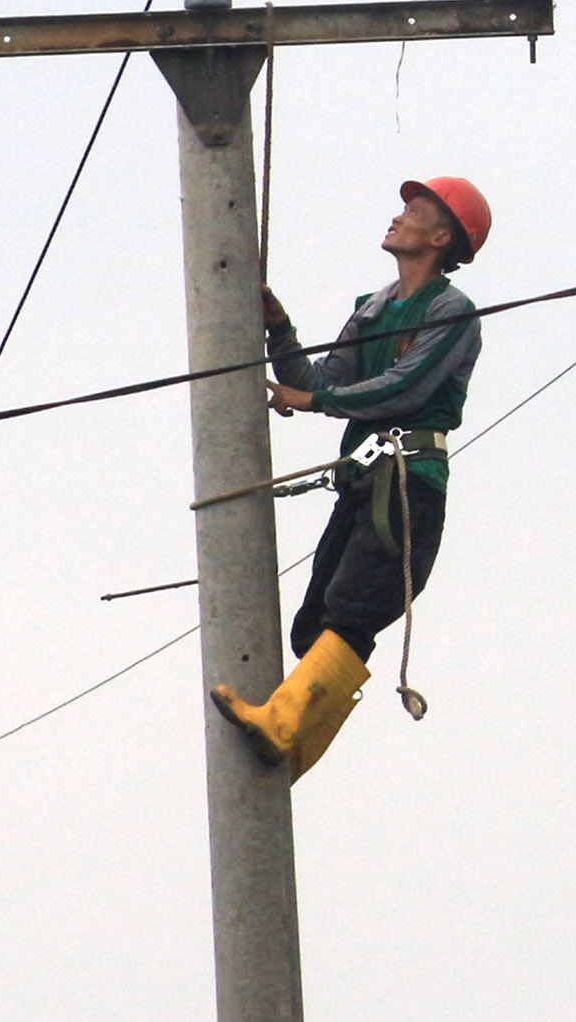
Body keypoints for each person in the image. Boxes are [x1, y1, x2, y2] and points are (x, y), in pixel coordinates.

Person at [208, 176, 491, 780]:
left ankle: (283, 726)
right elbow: (319, 382)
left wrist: (315, 402)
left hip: (410, 481)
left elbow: (403, 387)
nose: (399, 217)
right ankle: (291, 745)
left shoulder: (452, 312)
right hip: (366, 479)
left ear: (441, 238)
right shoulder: (374, 308)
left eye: (415, 211)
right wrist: (280, 329)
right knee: (316, 623)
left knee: (353, 608)